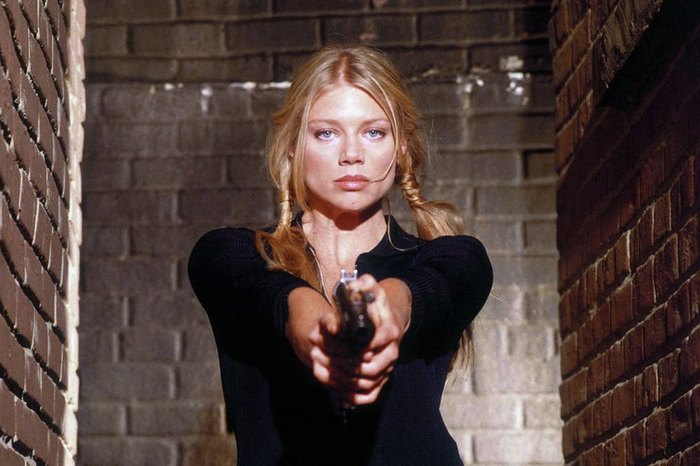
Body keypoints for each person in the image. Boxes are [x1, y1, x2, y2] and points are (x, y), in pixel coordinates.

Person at [188, 44, 493, 465]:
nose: (351, 154)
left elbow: (438, 282)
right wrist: (308, 315)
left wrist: (390, 307)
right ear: (293, 146)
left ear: (402, 147)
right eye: (326, 133)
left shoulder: (453, 259)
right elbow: (259, 288)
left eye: (374, 132)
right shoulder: (235, 256)